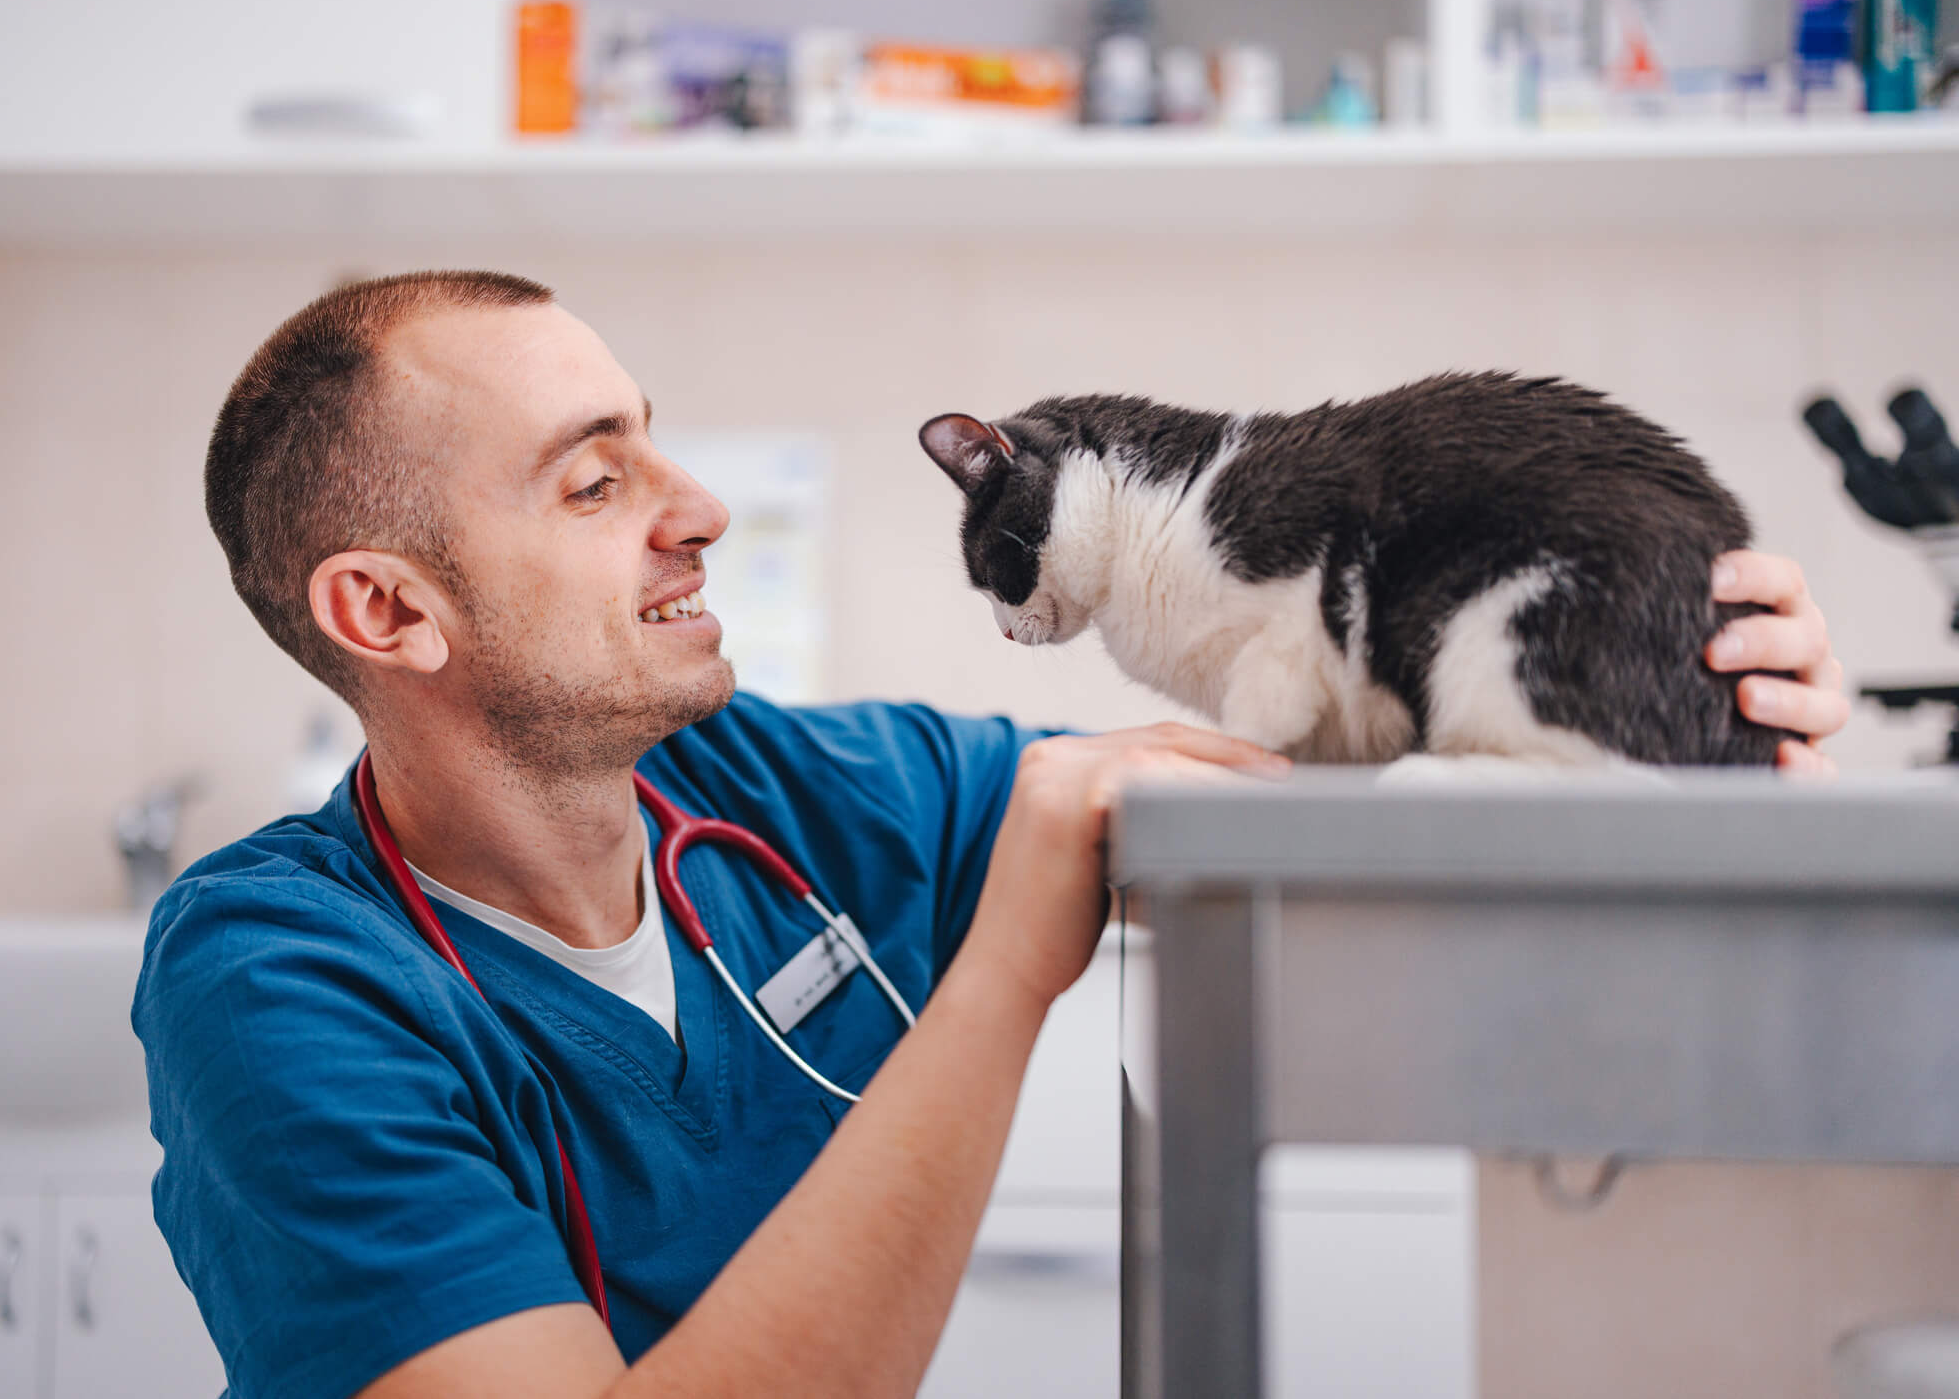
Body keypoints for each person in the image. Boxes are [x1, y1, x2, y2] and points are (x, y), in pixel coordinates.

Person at [135, 271, 1849, 1399]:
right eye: (594, 483)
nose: (701, 509)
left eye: (657, 442)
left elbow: (1284, 801)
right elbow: (1055, 849)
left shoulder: (786, 801)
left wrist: (1665, 706)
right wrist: (1018, 946)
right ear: (387, 608)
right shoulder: (275, 975)